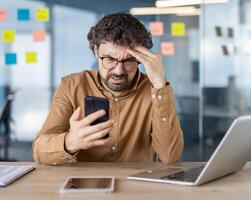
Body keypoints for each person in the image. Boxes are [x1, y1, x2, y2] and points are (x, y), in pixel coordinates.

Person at [32, 12, 184, 165]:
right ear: (96, 52)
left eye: (129, 60)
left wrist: (159, 85)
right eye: (110, 59)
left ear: (141, 58)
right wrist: (69, 142)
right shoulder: (72, 85)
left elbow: (169, 156)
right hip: (82, 184)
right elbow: (39, 150)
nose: (118, 71)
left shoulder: (155, 90)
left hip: (138, 185)